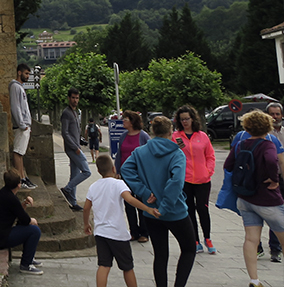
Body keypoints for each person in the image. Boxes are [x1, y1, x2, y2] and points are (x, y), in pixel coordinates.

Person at [121, 116, 195, 287]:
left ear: (152, 131)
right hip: (175, 211)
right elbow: (176, 181)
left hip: (151, 211)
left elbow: (126, 169)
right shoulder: (176, 153)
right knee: (189, 248)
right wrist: (166, 205)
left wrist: (143, 192)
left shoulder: (140, 152)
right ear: (171, 132)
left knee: (160, 255)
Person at [223, 109, 284, 287]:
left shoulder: (240, 144)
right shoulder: (268, 144)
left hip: (246, 198)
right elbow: (272, 161)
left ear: (247, 127)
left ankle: (254, 280)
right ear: (267, 126)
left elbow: (228, 165)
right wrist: (274, 179)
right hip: (267, 199)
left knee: (251, 239)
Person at [83, 154, 161, 287]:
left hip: (101, 233)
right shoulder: (119, 184)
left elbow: (86, 208)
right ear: (114, 169)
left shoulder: (93, 187)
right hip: (117, 234)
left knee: (104, 265)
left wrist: (86, 224)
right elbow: (130, 199)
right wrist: (148, 209)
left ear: (98, 171)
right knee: (127, 267)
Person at [172, 104, 216, 254]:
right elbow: (173, 156)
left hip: (203, 179)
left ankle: (208, 238)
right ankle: (195, 240)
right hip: (185, 179)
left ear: (193, 119)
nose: (185, 122)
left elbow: (210, 156)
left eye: (187, 119)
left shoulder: (202, 136)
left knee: (202, 208)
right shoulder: (176, 137)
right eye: (182, 119)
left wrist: (208, 171)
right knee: (189, 210)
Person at [0, 169, 44, 276]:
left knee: (26, 227)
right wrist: (33, 220)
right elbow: (26, 220)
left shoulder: (4, 193)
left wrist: (24, 204)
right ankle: (26, 264)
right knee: (34, 231)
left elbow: (18, 213)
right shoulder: (10, 198)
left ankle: (29, 257)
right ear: (19, 185)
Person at [115, 110, 151, 243]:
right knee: (128, 203)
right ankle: (133, 231)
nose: (123, 121)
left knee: (141, 202)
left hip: (140, 175)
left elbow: (150, 154)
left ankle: (144, 232)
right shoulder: (123, 136)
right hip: (126, 175)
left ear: (132, 121)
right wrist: (117, 170)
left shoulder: (143, 136)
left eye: (125, 119)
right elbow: (119, 154)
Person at [59, 88, 91, 211]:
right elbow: (65, 133)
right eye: (73, 98)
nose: (75, 100)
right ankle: (67, 189)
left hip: (76, 146)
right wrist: (75, 147)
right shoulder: (66, 113)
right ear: (69, 98)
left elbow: (74, 131)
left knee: (75, 174)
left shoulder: (75, 112)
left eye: (77, 98)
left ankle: (73, 202)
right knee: (87, 171)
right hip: (72, 149)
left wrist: (80, 140)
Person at [262, 101, 284, 263]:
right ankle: (270, 247)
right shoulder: (263, 134)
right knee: (270, 213)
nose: (275, 117)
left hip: (282, 177)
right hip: (267, 178)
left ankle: (276, 247)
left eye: (277, 114)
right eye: (272, 114)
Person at [9, 64, 37, 189]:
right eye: (26, 73)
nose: (28, 76)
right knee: (18, 152)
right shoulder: (15, 87)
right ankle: (20, 179)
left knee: (20, 153)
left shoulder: (19, 87)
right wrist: (22, 124)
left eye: (29, 74)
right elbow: (16, 107)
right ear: (19, 73)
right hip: (22, 126)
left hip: (24, 125)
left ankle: (23, 177)